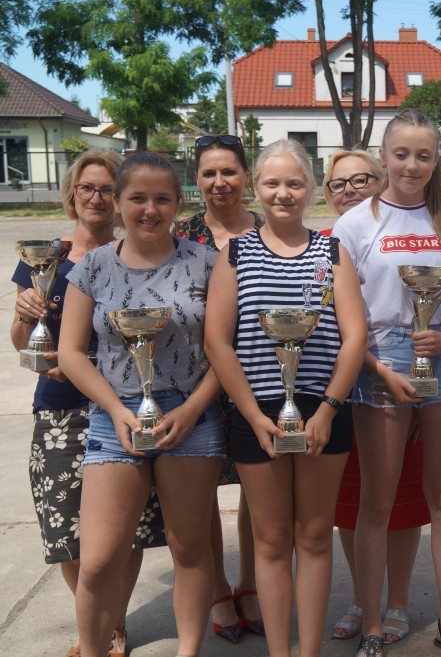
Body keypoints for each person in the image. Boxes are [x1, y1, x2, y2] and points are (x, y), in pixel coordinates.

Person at [204, 139, 367, 657]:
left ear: (311, 189)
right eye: (272, 183)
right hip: (258, 415)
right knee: (271, 542)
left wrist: (329, 410)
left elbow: (354, 337)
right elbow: (217, 342)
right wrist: (252, 416)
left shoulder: (331, 252)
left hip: (322, 411)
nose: (283, 193)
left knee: (315, 537)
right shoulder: (237, 254)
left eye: (294, 183)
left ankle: (308, 650)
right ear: (256, 188)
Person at [59, 152, 224, 657]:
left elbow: (226, 350)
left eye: (162, 199)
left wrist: (192, 410)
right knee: (98, 561)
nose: (150, 210)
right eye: (137, 198)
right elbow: (70, 352)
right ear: (117, 201)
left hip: (191, 418)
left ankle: (188, 651)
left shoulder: (208, 262)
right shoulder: (93, 266)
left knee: (189, 547)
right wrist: (115, 409)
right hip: (116, 418)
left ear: (178, 204)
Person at [10, 149, 168, 657]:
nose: (96, 198)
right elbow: (21, 342)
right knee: (64, 527)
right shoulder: (45, 256)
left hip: (125, 403)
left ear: (118, 198)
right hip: (60, 405)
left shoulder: (134, 254)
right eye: (87, 188)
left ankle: (113, 624)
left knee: (129, 529)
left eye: (105, 189)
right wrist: (25, 315)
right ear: (72, 195)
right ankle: (94, 623)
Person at [335, 109, 441, 657]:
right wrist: (378, 369)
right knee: (378, 500)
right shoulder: (354, 226)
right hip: (380, 361)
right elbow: (343, 318)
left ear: (436, 160)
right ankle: (372, 624)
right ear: (383, 157)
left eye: (423, 155)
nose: (412, 165)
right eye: (401, 154)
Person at [320, 150, 430, 645]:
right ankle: (363, 598)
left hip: (399, 383)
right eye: (337, 184)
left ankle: (399, 600)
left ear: (381, 181)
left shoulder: (404, 235)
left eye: (360, 180)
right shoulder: (322, 246)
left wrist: (419, 389)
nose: (348, 190)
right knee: (352, 500)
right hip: (338, 391)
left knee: (401, 498)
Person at [175, 133, 265, 643]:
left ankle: (250, 584)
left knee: (258, 487)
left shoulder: (270, 228)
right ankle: (215, 590)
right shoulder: (181, 234)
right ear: (197, 179)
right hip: (195, 381)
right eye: (209, 173)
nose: (219, 182)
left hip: (261, 376)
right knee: (201, 487)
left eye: (229, 171)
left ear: (246, 175)